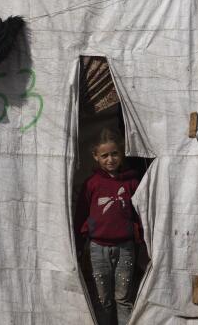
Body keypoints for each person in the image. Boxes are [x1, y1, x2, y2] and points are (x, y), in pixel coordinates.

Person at [76, 128, 142, 324]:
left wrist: (140, 236)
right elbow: (81, 214)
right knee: (102, 299)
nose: (110, 159)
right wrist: (80, 244)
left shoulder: (132, 182)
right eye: (104, 155)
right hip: (98, 249)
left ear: (121, 154)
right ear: (96, 157)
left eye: (114, 154)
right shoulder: (92, 184)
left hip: (126, 248)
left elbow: (141, 212)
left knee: (123, 298)